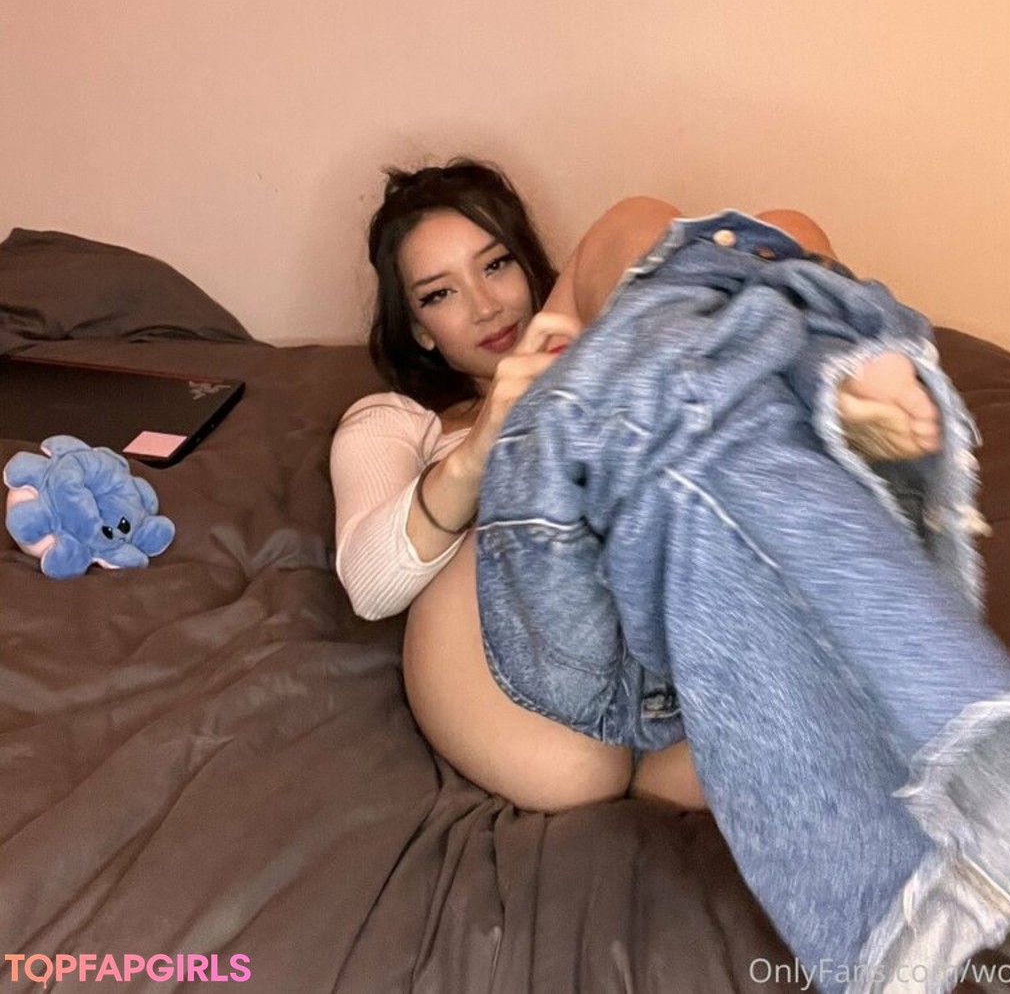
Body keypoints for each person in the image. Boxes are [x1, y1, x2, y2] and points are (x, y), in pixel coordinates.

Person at [331, 158, 942, 813]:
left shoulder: (589, 334)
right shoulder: (397, 421)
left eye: (496, 264)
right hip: (533, 678)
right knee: (578, 771)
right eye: (439, 294)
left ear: (528, 266)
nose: (485, 306)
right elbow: (369, 584)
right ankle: (804, 381)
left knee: (755, 229)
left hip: (685, 629)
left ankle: (819, 375)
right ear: (418, 329)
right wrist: (484, 447)